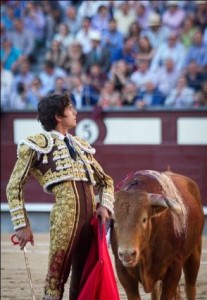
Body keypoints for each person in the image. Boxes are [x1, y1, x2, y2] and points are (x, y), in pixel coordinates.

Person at [6, 93, 115, 300]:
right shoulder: (36, 144)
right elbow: (14, 185)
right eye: (70, 108)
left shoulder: (81, 146)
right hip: (65, 219)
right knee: (56, 278)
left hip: (90, 222)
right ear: (58, 116)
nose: (75, 112)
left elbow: (106, 181)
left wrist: (105, 206)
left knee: (83, 278)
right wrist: (21, 225)